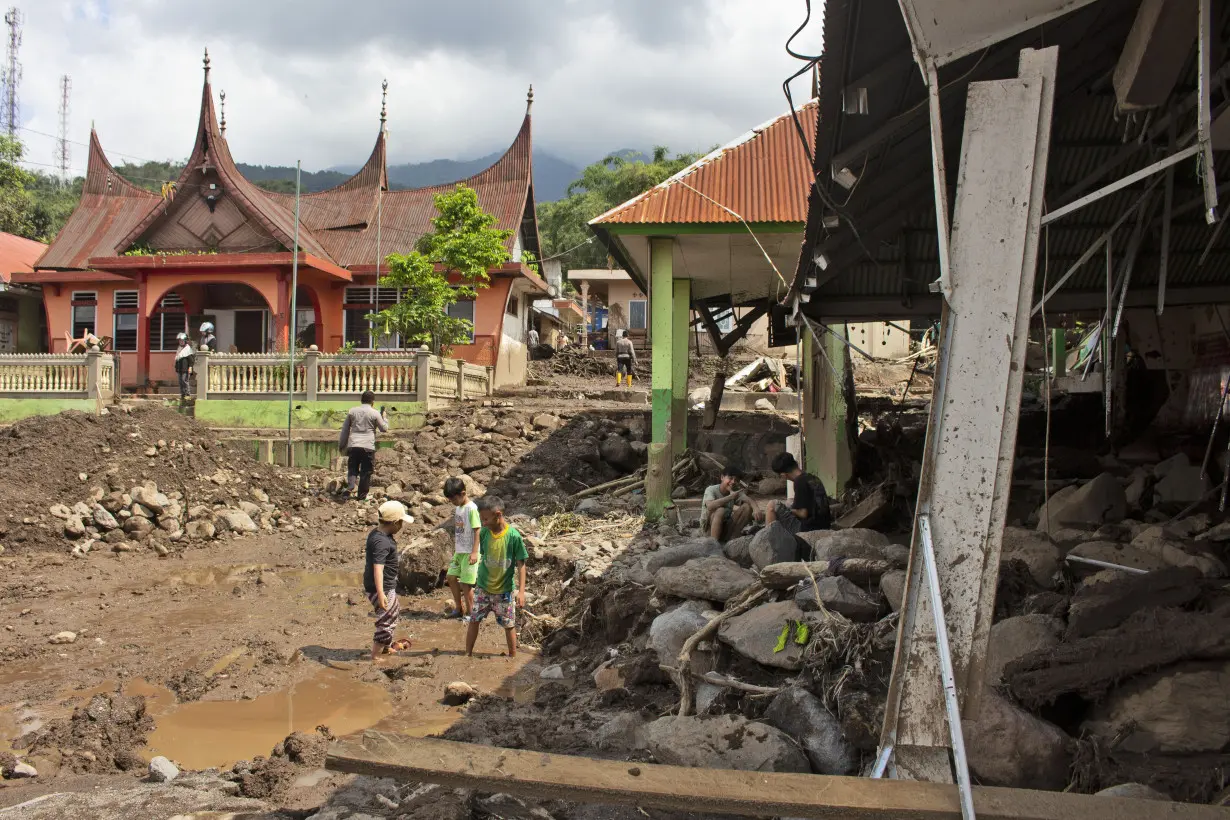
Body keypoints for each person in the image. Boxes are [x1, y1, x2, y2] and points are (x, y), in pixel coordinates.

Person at [466, 495, 528, 658]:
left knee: (509, 625)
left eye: (486, 519)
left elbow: (521, 565)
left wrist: (521, 592)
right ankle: (467, 654)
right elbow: (482, 554)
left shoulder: (513, 536)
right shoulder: (485, 533)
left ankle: (512, 656)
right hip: (483, 588)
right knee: (474, 620)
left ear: (498, 515)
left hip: (504, 592)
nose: (483, 523)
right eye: (481, 519)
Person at [364, 500, 415, 661]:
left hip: (383, 585)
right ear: (394, 523)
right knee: (387, 617)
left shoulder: (378, 533)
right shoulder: (382, 542)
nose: (401, 526)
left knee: (393, 611)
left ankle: (385, 646)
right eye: (401, 522)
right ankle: (375, 655)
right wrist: (381, 594)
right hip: (381, 587)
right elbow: (378, 568)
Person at [440, 476, 481, 620]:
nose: (453, 502)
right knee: (451, 577)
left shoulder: (472, 509)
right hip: (460, 551)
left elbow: (477, 530)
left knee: (466, 583)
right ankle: (459, 608)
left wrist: (475, 552)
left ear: (463, 493)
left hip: (470, 551)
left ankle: (471, 613)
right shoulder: (459, 508)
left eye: (454, 499)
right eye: (450, 500)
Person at [765, 452, 832, 539]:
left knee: (772, 505)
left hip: (808, 529)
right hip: (824, 525)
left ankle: (768, 540)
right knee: (789, 501)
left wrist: (789, 509)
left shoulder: (799, 482)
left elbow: (803, 513)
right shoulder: (813, 478)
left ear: (783, 475)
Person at [338, 390, 388, 501]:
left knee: (352, 468)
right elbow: (383, 429)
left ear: (361, 400)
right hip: (368, 446)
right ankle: (361, 496)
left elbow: (345, 430)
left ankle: (350, 486)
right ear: (372, 402)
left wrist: (341, 444)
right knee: (366, 471)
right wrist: (384, 417)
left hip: (353, 445)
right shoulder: (375, 413)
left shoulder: (352, 411)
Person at [700, 465, 756, 543]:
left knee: (747, 507)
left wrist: (756, 509)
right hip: (709, 530)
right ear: (722, 477)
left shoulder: (735, 491)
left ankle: (732, 540)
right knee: (720, 510)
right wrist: (730, 497)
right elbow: (710, 506)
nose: (733, 482)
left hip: (725, 527)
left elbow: (748, 500)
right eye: (730, 478)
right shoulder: (711, 489)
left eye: (736, 480)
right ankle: (714, 545)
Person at [173, 333, 194, 400]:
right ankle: (182, 395)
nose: (180, 342)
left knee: (184, 381)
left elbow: (191, 360)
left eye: (182, 340)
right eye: (179, 340)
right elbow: (177, 359)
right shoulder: (179, 348)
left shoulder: (188, 349)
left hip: (185, 369)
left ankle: (187, 395)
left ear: (185, 341)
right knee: (180, 382)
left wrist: (190, 367)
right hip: (180, 368)